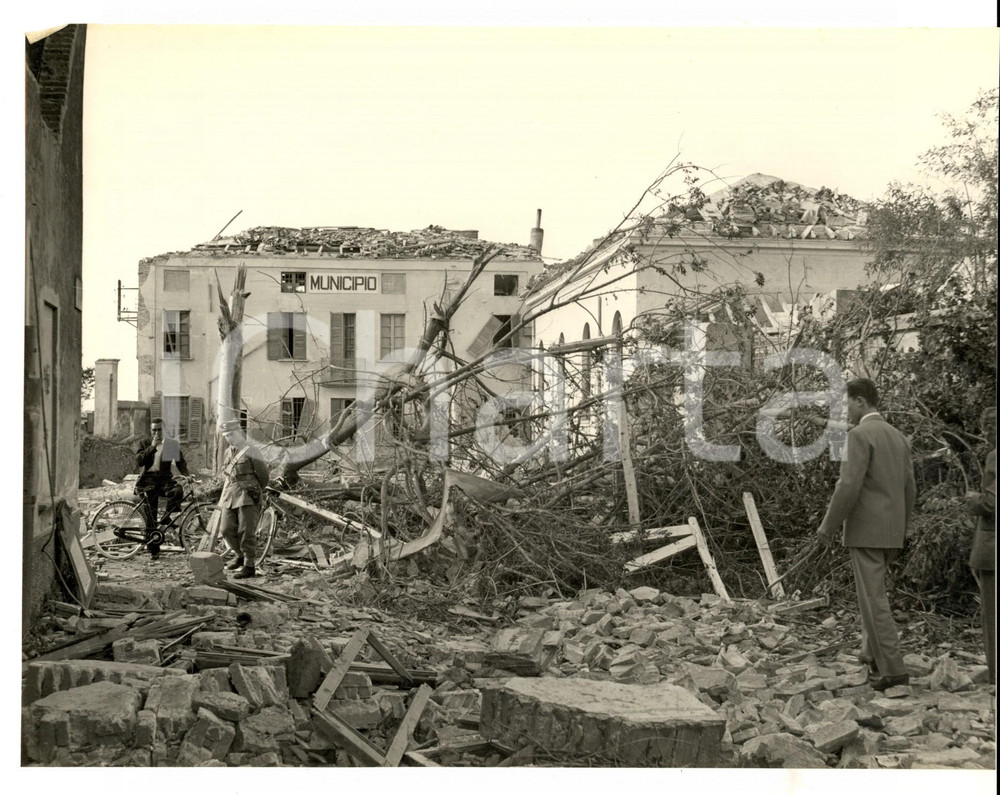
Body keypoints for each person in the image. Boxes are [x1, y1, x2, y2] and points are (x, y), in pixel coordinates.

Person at [817, 377, 916, 691]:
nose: (846, 409)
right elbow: (910, 488)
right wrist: (900, 528)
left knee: (873, 600)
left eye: (847, 402)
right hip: (891, 532)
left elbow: (847, 486)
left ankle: (894, 669)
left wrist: (827, 527)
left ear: (860, 401)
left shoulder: (859, 435)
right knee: (875, 596)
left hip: (866, 532)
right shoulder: (898, 437)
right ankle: (870, 655)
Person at [966, 407, 996, 685]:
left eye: (987, 429)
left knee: (992, 614)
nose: (984, 435)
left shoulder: (995, 457)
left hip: (992, 548)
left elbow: (992, 502)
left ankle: (995, 673)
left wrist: (972, 500)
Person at [134, 417, 189, 558]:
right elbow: (139, 462)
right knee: (150, 517)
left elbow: (180, 462)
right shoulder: (145, 443)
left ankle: (166, 517)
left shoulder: (171, 445)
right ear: (151, 431)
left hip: (164, 479)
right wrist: (152, 447)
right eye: (154, 430)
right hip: (147, 481)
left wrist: (186, 476)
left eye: (159, 430)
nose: (157, 433)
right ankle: (153, 550)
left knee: (177, 491)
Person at [219, 438, 270, 580]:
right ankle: (239, 556)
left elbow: (263, 476)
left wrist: (255, 491)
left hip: (247, 495)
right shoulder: (228, 451)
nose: (229, 435)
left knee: (246, 531)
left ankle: (249, 565)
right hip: (230, 494)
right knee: (226, 529)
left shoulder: (251, 450)